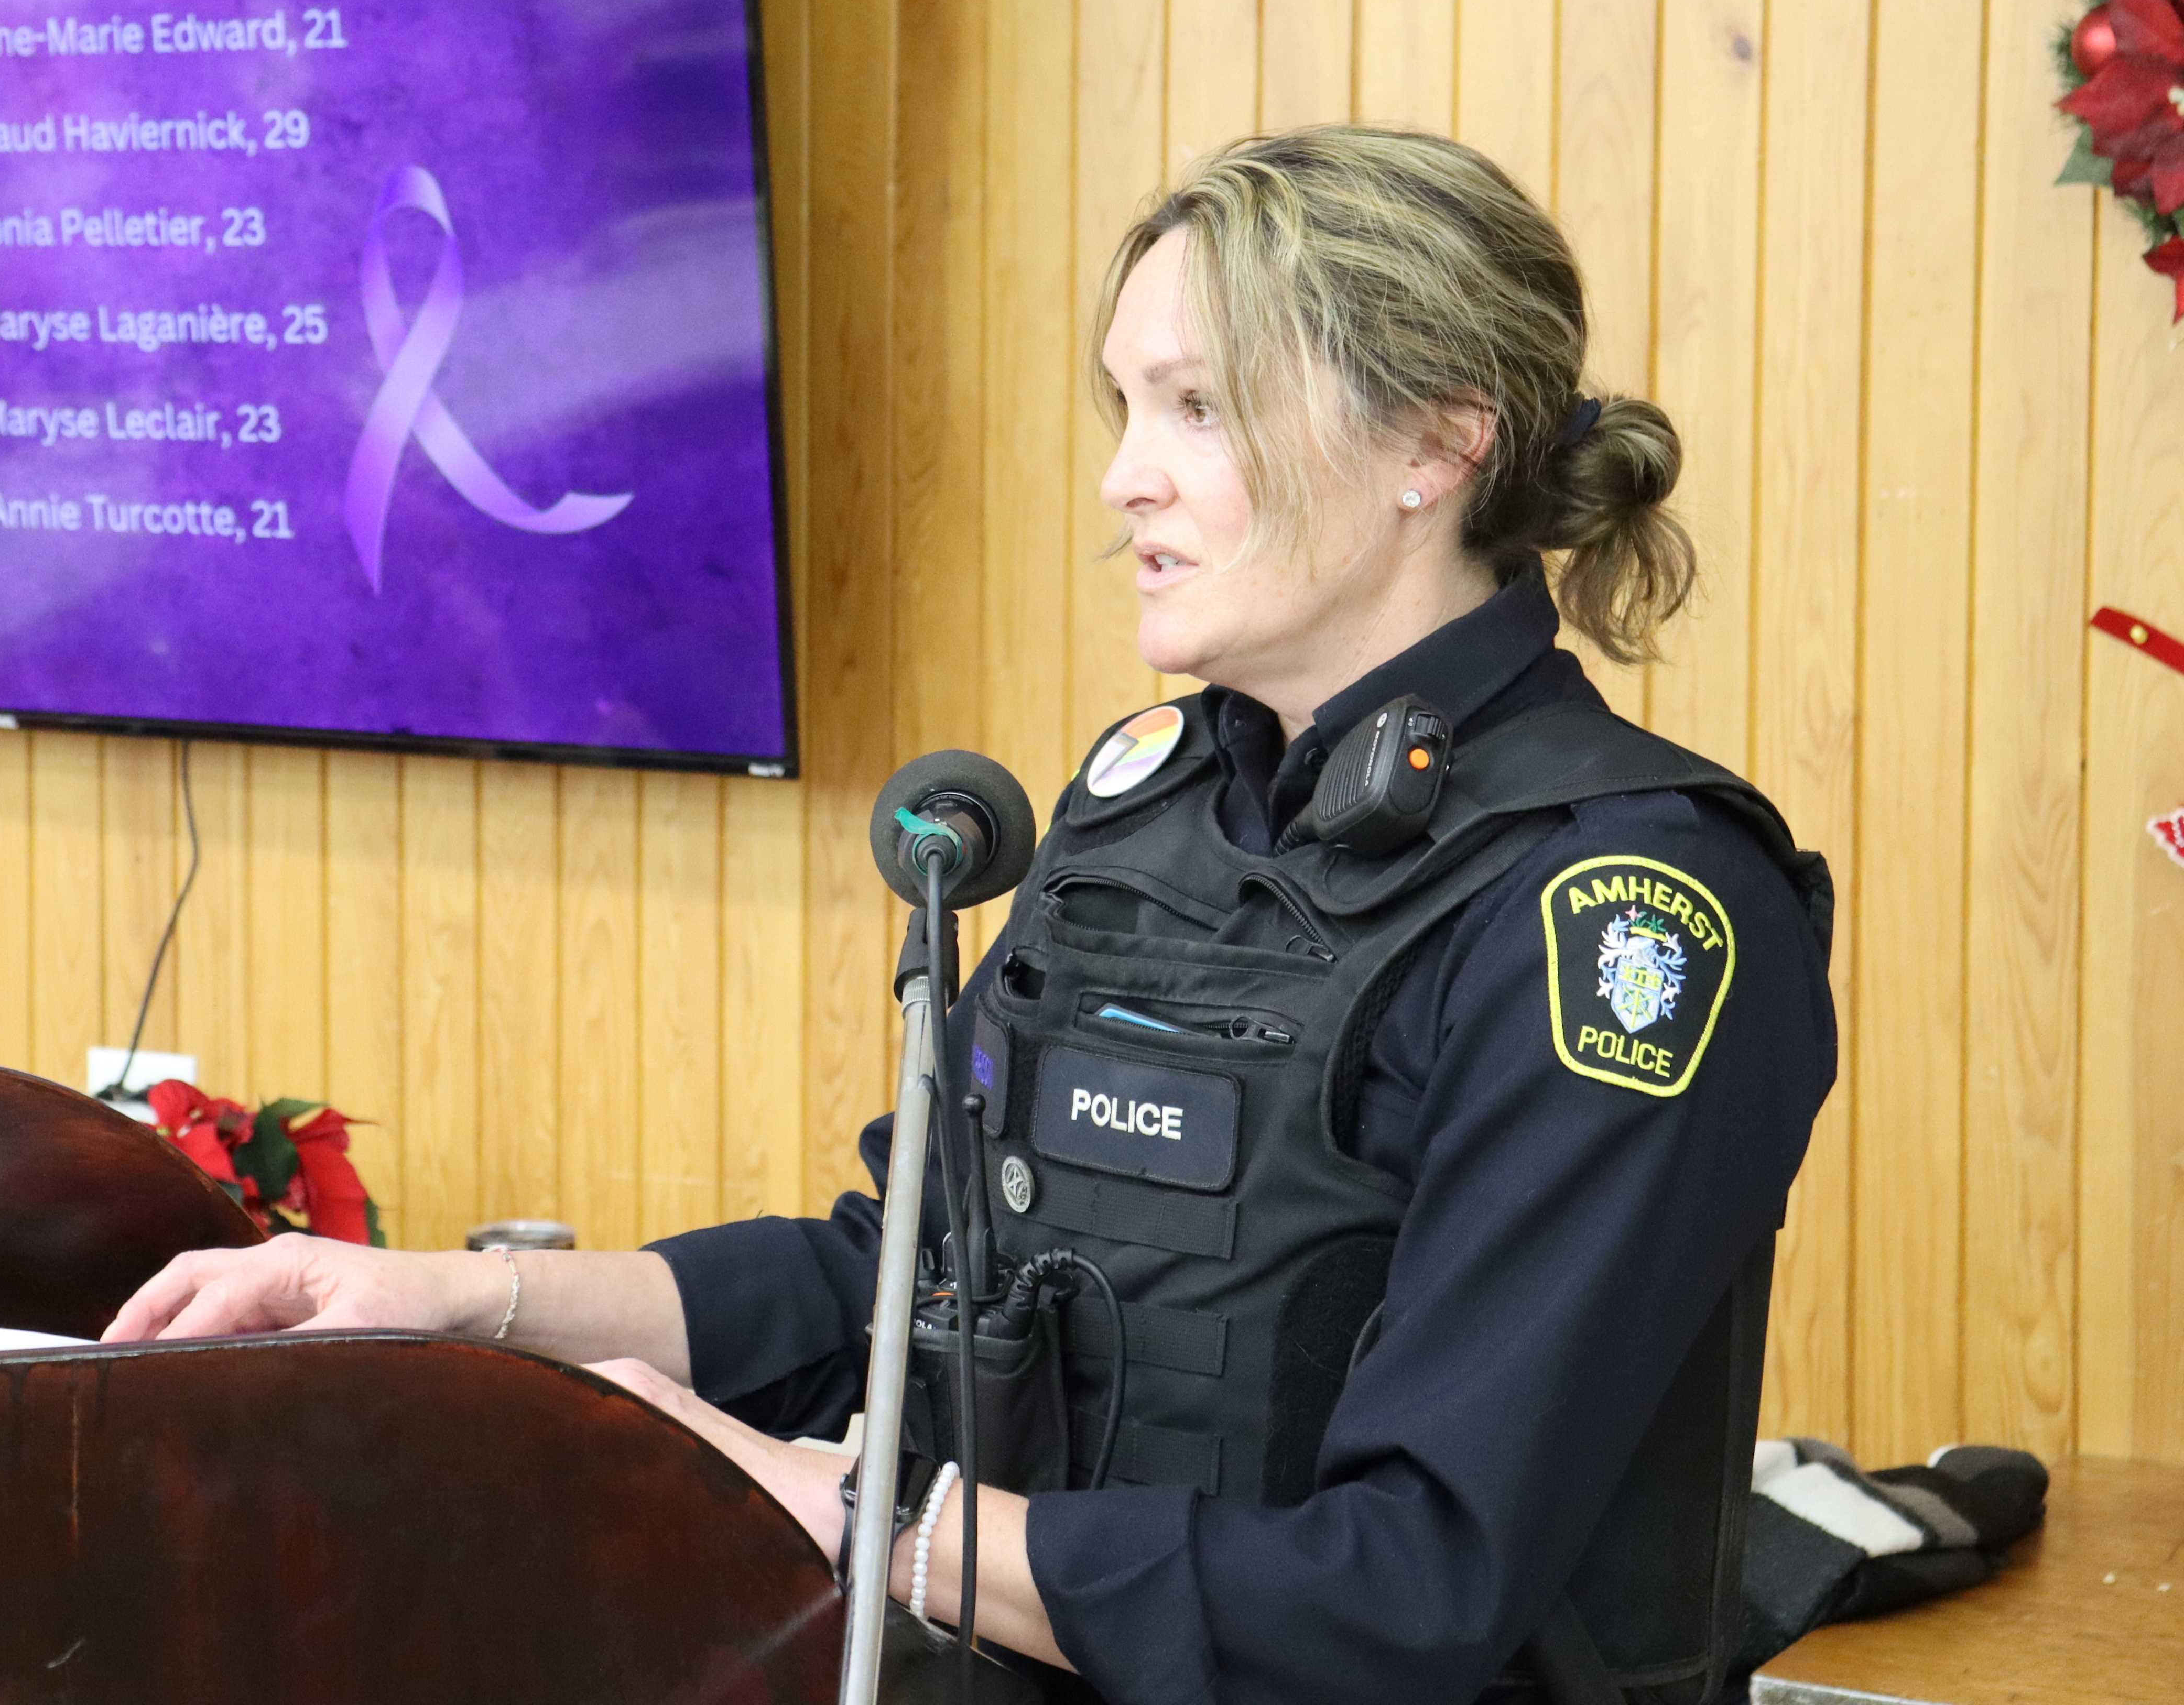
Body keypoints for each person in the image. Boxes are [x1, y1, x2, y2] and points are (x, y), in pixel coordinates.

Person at [103, 126, 1839, 1705]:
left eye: (1201, 408)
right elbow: (906, 1278)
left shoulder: (1624, 911)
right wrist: (452, 1304)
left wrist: (832, 1507)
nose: (1124, 481)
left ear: (1438, 440)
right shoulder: (1139, 813)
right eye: (1126, 409)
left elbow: (1412, 1591)